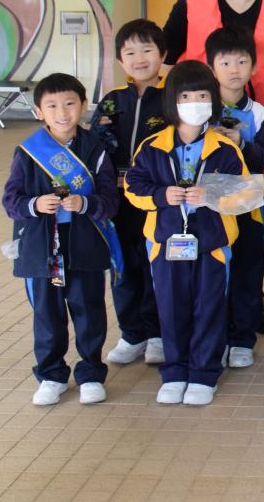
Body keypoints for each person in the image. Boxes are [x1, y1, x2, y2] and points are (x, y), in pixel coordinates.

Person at [124, 61, 246, 407]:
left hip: (212, 245)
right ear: (172, 101)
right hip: (166, 244)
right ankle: (175, 371)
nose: (195, 103)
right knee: (171, 307)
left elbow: (242, 193)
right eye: (186, 96)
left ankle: (204, 374)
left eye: (203, 95)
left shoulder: (224, 148)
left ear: (213, 100)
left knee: (209, 307)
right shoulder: (152, 146)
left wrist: (210, 195)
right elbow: (133, 188)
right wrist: (161, 195)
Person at [1, 73, 119, 406]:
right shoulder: (28, 152)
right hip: (43, 249)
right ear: (39, 111)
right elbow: (10, 201)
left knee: (89, 311)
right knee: (47, 314)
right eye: (52, 106)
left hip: (85, 244)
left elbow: (111, 199)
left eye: (70, 103)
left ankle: (91, 373)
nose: (62, 112)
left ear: (83, 105)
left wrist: (86, 204)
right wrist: (35, 205)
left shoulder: (95, 149)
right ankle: (51, 375)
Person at [92, 19, 167, 367]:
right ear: (121, 59)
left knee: (155, 265)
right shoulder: (112, 101)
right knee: (122, 266)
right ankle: (131, 333)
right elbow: (93, 147)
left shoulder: (171, 98)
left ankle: (157, 333)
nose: (139, 59)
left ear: (162, 54)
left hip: (155, 200)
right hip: (118, 202)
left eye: (147, 50)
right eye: (131, 52)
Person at [205, 27, 264, 369]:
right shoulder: (200, 109)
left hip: (250, 207)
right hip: (211, 207)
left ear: (254, 66)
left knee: (248, 270)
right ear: (212, 67)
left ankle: (242, 339)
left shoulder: (259, 114)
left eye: (242, 62)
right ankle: (215, 337)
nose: (234, 69)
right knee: (214, 272)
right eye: (225, 62)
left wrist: (242, 144)